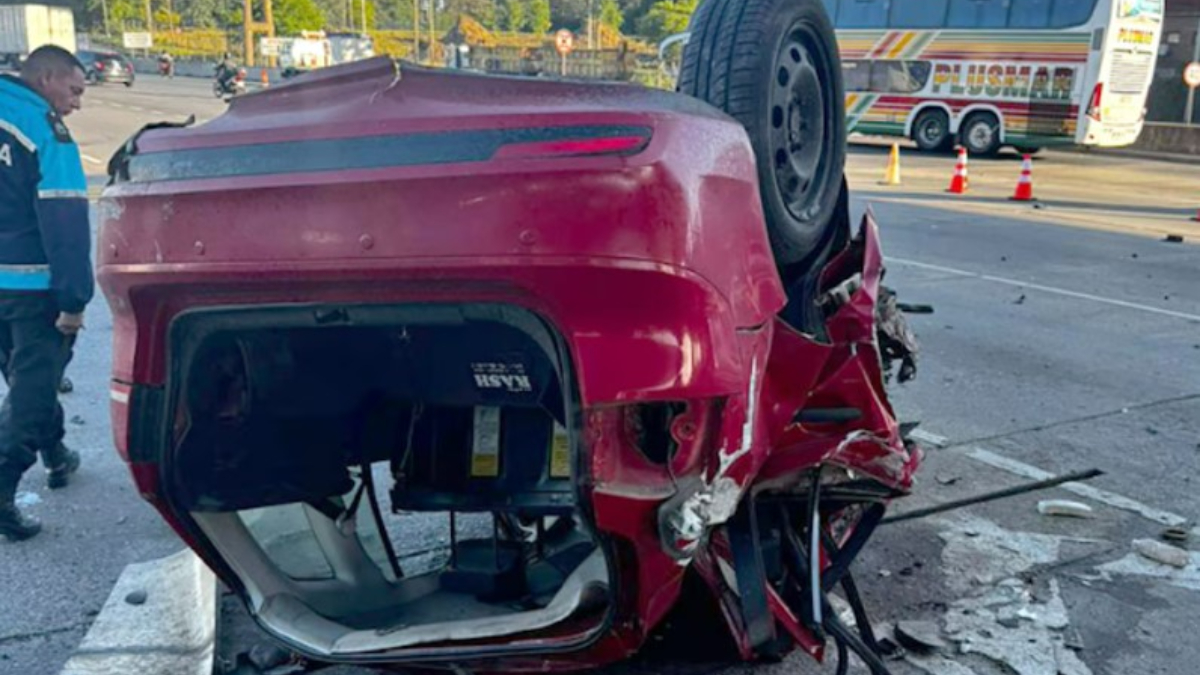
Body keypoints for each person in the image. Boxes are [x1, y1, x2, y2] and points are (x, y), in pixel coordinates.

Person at [0, 45, 92, 542]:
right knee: (34, 387)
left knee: (29, 381)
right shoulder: (44, 129)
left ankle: (56, 454)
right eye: (74, 90)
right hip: (32, 286)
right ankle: (1, 484)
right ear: (48, 77)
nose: (76, 103)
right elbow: (65, 221)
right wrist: (74, 298)